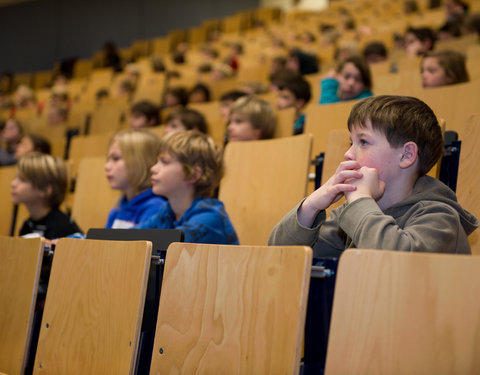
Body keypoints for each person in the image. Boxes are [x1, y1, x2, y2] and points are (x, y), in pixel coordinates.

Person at [269, 95, 478, 256]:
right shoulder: (353, 214)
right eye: (351, 142)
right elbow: (281, 255)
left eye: (363, 142)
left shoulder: (441, 218)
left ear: (406, 155)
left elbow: (395, 264)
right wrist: (311, 206)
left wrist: (360, 200)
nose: (348, 153)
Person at [136, 130, 239, 245]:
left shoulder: (210, 218)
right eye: (157, 161)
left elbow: (170, 249)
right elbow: (127, 238)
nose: (153, 168)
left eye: (164, 162)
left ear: (193, 174)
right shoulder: (167, 213)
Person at [11, 152, 83, 239]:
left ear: (45, 190)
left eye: (22, 179)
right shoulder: (28, 224)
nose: (13, 183)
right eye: (16, 178)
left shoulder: (62, 228)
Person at [104, 130, 165, 229]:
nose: (106, 166)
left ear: (142, 163)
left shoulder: (155, 208)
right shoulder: (117, 209)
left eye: (115, 158)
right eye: (108, 159)